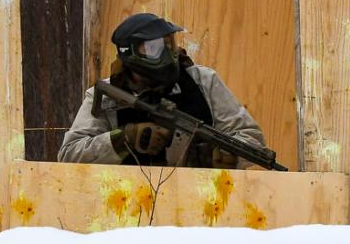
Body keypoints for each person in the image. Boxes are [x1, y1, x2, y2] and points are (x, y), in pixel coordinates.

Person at [58, 12, 266, 168]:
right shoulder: (107, 97)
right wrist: (124, 139)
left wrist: (220, 156)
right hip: (127, 203)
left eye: (170, 45)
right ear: (130, 53)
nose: (167, 54)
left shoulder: (202, 82)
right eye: (154, 48)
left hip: (202, 202)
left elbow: (252, 139)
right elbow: (69, 155)